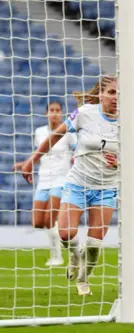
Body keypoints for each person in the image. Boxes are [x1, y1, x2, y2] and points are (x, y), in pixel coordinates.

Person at [20, 75, 119, 296]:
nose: (116, 97)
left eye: (119, 93)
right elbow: (55, 136)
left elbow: (132, 157)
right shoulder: (84, 113)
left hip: (106, 187)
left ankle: (83, 280)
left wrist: (119, 162)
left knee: (94, 244)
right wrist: (30, 161)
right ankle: (74, 256)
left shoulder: (127, 122)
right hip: (78, 183)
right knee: (65, 233)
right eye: (112, 92)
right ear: (101, 94)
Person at [13, 101, 76, 267]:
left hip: (61, 179)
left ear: (62, 113)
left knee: (51, 219)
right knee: (38, 222)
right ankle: (73, 245)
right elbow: (39, 152)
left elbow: (76, 152)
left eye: (58, 110)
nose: (54, 113)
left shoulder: (68, 132)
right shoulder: (40, 132)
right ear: (46, 113)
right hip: (43, 180)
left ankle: (58, 256)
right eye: (52, 110)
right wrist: (25, 163)